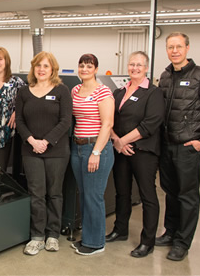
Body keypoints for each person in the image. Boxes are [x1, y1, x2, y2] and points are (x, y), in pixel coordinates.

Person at [156, 32, 200, 261]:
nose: (174, 51)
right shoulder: (165, 75)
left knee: (187, 196)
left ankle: (182, 242)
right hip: (166, 145)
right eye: (170, 47)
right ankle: (170, 231)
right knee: (170, 192)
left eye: (179, 46)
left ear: (187, 48)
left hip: (188, 147)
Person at [108, 51, 164, 258]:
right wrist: (116, 140)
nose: (135, 68)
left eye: (139, 65)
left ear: (146, 68)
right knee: (122, 193)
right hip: (121, 150)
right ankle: (120, 230)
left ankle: (147, 241)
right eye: (132, 64)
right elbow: (110, 119)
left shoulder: (153, 93)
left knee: (148, 196)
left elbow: (150, 123)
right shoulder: (119, 92)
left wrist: (124, 140)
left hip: (143, 151)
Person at [15, 51, 72, 256]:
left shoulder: (62, 90)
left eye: (46, 66)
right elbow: (19, 120)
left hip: (56, 151)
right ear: (33, 68)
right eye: (38, 65)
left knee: (54, 193)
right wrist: (32, 140)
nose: (41, 69)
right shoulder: (23, 91)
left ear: (52, 69)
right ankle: (37, 236)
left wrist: (46, 142)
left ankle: (53, 235)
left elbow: (66, 120)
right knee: (36, 193)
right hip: (30, 150)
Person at [70, 53, 115, 256]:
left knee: (94, 196)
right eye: (82, 66)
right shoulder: (75, 90)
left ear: (96, 69)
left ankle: (96, 243)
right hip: (77, 147)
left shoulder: (103, 92)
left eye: (89, 66)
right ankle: (88, 237)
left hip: (96, 149)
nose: (84, 69)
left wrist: (96, 152)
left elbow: (107, 124)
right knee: (85, 194)